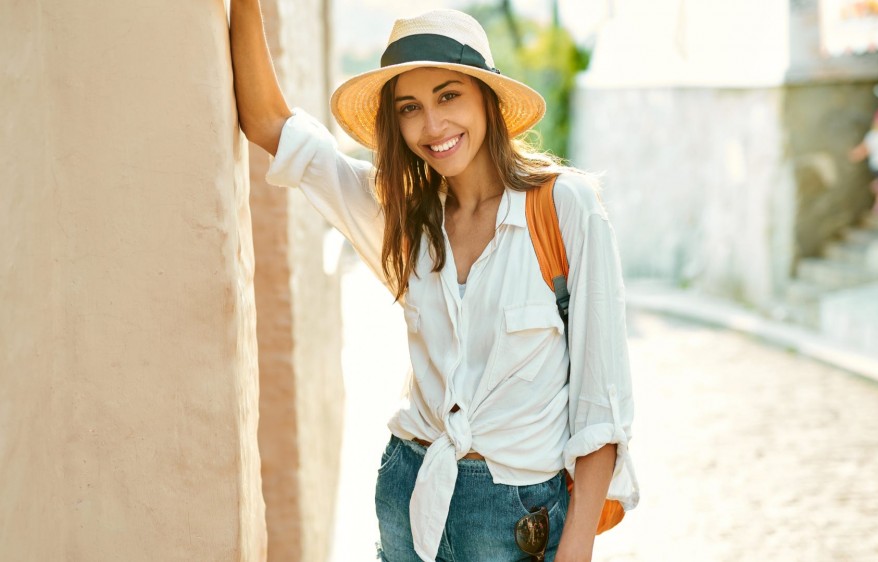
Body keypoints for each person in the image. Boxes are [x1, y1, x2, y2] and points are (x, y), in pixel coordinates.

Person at [230, 5, 639, 561]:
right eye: (410, 108)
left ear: (485, 99)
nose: (433, 126)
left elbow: (602, 409)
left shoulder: (564, 208)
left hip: (515, 518)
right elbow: (267, 124)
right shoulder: (400, 216)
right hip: (408, 490)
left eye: (449, 96)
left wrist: (577, 549)